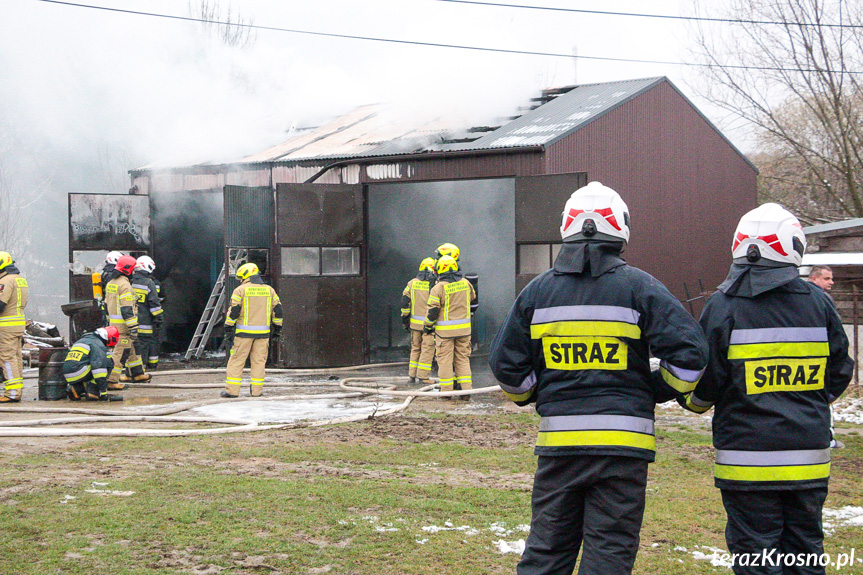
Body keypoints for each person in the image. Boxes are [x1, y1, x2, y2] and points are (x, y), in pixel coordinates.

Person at [488, 181, 709, 575]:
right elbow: (692, 356)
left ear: (566, 228)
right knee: (609, 552)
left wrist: (534, 395)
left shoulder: (538, 292)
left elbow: (506, 365)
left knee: (548, 551)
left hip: (561, 448)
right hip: (624, 449)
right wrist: (653, 389)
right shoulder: (641, 287)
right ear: (620, 229)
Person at [681, 203, 853, 575]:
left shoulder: (723, 305)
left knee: (755, 559)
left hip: (746, 463)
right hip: (807, 459)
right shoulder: (819, 302)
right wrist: (808, 402)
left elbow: (708, 380)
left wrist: (694, 402)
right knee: (805, 554)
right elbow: (840, 370)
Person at [222, 263, 283, 398]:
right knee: (259, 362)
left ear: (245, 276)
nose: (240, 281)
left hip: (243, 335)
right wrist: (277, 328)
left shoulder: (240, 290)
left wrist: (228, 327)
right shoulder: (269, 290)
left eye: (241, 278)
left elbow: (234, 311)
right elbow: (278, 311)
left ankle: (232, 391)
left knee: (236, 361)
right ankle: (257, 392)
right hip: (263, 335)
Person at [424, 255, 477, 397]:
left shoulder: (438, 288)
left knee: (445, 361)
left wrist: (427, 326)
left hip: (445, 333)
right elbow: (472, 299)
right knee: (463, 359)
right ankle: (466, 391)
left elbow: (433, 311)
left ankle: (446, 392)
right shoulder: (466, 283)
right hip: (464, 331)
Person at [104, 254, 148, 388]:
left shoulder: (111, 283)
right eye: (133, 269)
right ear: (128, 269)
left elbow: (106, 306)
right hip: (124, 327)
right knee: (120, 353)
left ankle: (137, 374)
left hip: (114, 325)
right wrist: (133, 327)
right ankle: (111, 381)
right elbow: (127, 310)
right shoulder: (125, 286)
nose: (135, 272)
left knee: (134, 348)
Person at [401, 257, 437, 383]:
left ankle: (412, 376)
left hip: (415, 325)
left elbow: (405, 303)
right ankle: (423, 377)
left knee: (415, 348)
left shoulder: (412, 283)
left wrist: (405, 320)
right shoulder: (435, 285)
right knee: (427, 350)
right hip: (429, 325)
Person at [63, 326, 123, 401]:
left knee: (89, 366)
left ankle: (76, 389)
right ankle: (93, 392)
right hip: (79, 372)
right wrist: (104, 393)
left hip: (68, 375)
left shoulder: (82, 340)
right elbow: (99, 370)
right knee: (108, 361)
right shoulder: (98, 344)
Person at [0, 252, 28, 403]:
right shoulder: (20, 279)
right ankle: (16, 390)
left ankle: (11, 392)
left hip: (6, 326)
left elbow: (1, 304)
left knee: (7, 359)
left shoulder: (5, 281)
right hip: (18, 324)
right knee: (16, 358)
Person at [131, 256, 163, 372]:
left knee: (134, 347)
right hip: (146, 323)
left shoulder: (129, 282)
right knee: (146, 344)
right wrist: (159, 318)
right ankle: (143, 369)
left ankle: (135, 369)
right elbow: (154, 304)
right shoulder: (149, 283)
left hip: (130, 322)